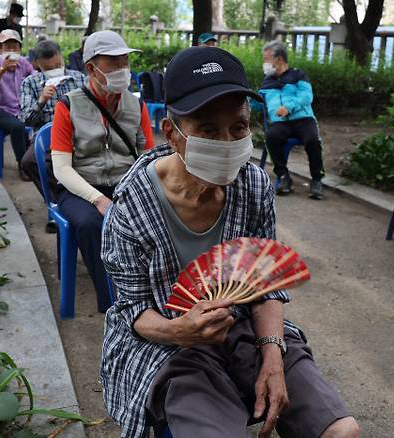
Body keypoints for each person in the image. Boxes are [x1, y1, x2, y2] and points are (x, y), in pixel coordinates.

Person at [100, 46, 360, 438]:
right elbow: (133, 310)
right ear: (172, 133)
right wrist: (180, 330)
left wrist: (272, 351)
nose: (226, 142)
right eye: (207, 129)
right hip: (172, 347)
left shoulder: (253, 184)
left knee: (342, 432)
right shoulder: (132, 206)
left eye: (238, 127)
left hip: (246, 328)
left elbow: (264, 285)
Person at [50, 30, 155, 311]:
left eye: (125, 62)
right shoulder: (68, 105)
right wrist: (97, 199)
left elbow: (148, 157)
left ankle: (152, 293)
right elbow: (61, 169)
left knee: (159, 213)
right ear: (91, 69)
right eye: (114, 63)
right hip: (80, 187)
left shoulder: (136, 105)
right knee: (91, 223)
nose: (123, 70)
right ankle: (113, 304)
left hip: (125, 184)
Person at [18, 39, 86, 231]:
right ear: (38, 65)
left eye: (58, 65)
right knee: (29, 161)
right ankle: (58, 203)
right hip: (46, 134)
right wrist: (41, 101)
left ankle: (77, 202)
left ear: (62, 57)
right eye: (49, 68)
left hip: (78, 131)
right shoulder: (30, 83)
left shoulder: (79, 79)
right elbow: (25, 120)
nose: (55, 70)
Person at [258, 40, 324, 200]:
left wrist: (288, 107)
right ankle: (283, 176)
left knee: (312, 140)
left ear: (278, 60)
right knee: (271, 137)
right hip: (280, 123)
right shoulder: (267, 81)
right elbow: (257, 102)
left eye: (266, 59)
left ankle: (316, 180)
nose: (264, 64)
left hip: (303, 119)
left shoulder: (298, 75)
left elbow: (307, 96)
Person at [0, 29, 34, 178]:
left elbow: (35, 77)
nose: (11, 50)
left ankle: (33, 161)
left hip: (18, 109)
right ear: (0, 49)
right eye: (7, 47)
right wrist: (3, 68)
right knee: (17, 126)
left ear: (20, 49)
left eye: (15, 47)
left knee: (36, 120)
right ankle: (22, 165)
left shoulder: (23, 63)